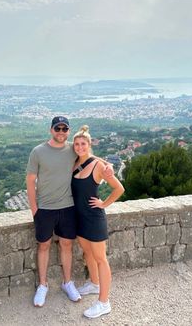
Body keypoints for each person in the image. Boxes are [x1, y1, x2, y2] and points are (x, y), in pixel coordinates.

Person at [26, 116, 113, 307]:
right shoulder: (38, 151)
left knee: (67, 245)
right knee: (43, 246)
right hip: (45, 208)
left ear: (68, 132)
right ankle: (43, 285)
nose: (61, 132)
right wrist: (34, 209)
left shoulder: (72, 149)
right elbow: (30, 181)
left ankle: (67, 283)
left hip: (68, 208)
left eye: (65, 129)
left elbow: (90, 156)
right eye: (58, 128)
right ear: (51, 130)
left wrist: (108, 165)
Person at [71, 125, 125, 319]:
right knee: (87, 252)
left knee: (101, 259)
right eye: (76, 144)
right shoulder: (74, 162)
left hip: (94, 218)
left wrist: (104, 204)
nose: (79, 147)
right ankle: (94, 283)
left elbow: (119, 189)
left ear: (89, 144)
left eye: (83, 144)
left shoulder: (98, 166)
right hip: (79, 217)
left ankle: (104, 303)